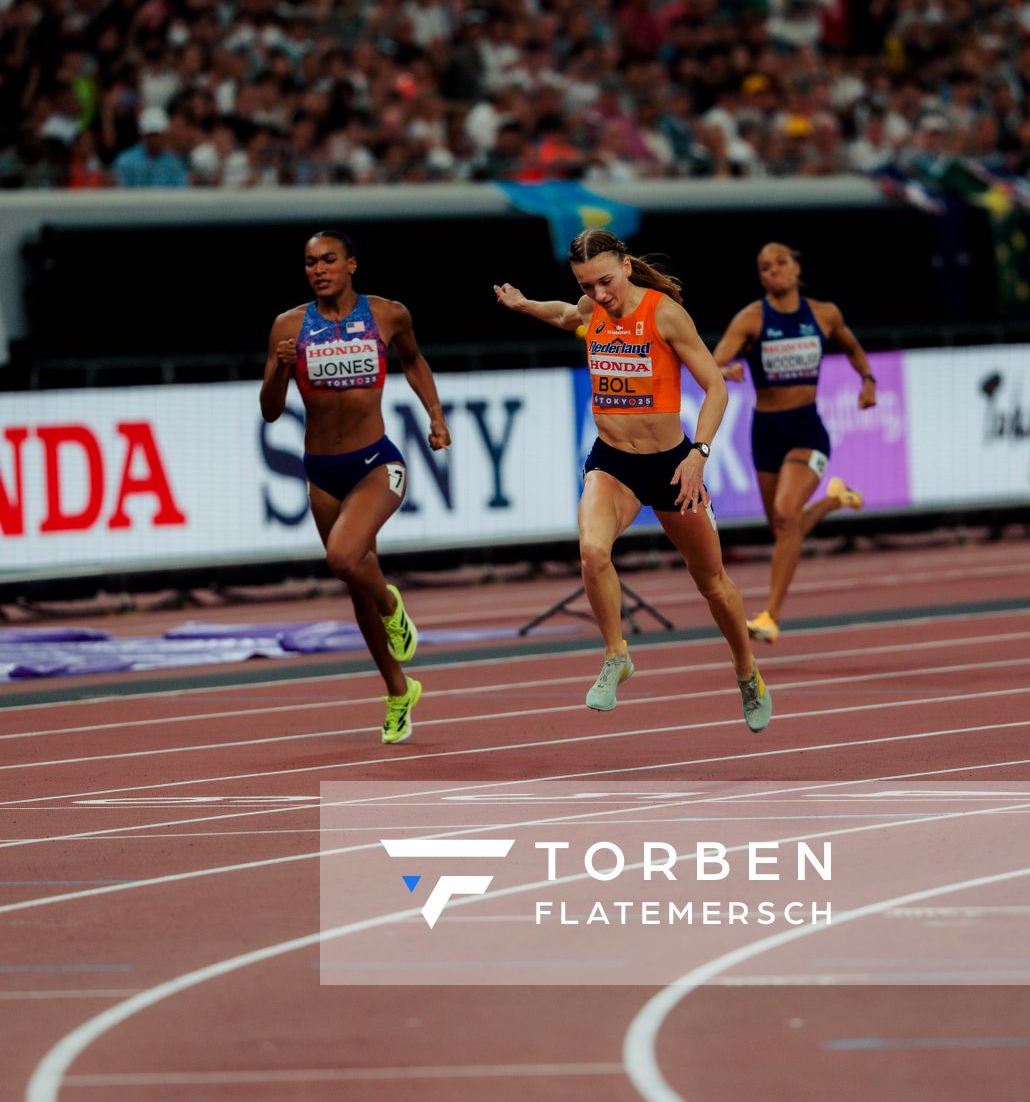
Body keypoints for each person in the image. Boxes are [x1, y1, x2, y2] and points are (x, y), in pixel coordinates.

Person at [493, 228, 772, 730]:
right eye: (586, 284)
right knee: (592, 551)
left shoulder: (663, 313)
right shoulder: (590, 307)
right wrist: (524, 304)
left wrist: (698, 455)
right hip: (613, 463)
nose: (599, 295)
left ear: (625, 264)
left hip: (671, 467)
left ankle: (747, 672)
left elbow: (715, 388)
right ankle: (616, 655)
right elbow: (563, 313)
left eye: (605, 281)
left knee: (712, 582)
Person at [260, 231, 451, 740]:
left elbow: (413, 360)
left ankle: (394, 607)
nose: (318, 269)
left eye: (328, 260)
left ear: (351, 264)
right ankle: (397, 692)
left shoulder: (388, 315)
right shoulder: (289, 325)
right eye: (309, 262)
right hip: (321, 470)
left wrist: (435, 416)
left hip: (375, 463)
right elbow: (271, 410)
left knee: (345, 559)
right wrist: (279, 369)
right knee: (355, 587)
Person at [712, 242, 875, 642]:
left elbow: (852, 346)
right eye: (764, 267)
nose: (773, 271)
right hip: (766, 431)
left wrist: (868, 380)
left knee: (787, 514)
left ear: (797, 267)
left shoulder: (824, 313)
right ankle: (837, 499)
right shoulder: (751, 318)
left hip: (807, 430)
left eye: (780, 263)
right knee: (783, 526)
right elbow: (714, 359)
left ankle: (771, 615)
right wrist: (725, 370)